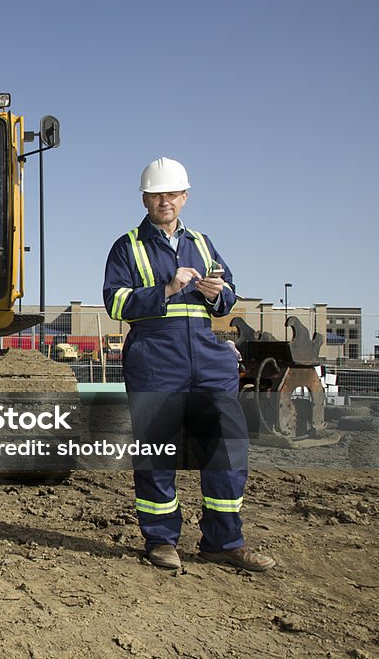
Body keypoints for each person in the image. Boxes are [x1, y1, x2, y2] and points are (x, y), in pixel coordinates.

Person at [102, 156, 275, 572]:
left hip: (207, 355)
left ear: (185, 197)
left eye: (174, 194)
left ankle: (224, 541)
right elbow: (116, 302)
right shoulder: (128, 245)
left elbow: (229, 293)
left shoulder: (201, 241)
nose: (166, 201)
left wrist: (218, 292)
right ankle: (162, 541)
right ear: (145, 199)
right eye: (158, 194)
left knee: (228, 447)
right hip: (156, 357)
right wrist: (167, 287)